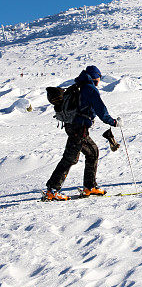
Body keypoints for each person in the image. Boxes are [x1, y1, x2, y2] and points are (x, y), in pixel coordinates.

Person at [44, 65, 120, 201]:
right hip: (79, 129)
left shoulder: (77, 86)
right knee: (70, 158)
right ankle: (52, 190)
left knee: (92, 152)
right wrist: (113, 122)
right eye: (99, 77)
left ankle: (90, 187)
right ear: (95, 77)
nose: (99, 80)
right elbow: (100, 109)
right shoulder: (89, 89)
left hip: (72, 127)